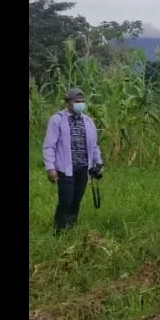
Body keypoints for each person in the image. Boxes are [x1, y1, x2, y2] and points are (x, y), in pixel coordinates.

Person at [43, 88, 104, 233]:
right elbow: (49, 146)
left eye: (82, 102)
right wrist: (50, 167)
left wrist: (99, 163)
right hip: (65, 168)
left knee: (77, 199)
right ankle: (59, 229)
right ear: (68, 103)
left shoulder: (88, 122)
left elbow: (94, 146)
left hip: (83, 167)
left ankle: (71, 227)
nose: (80, 104)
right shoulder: (57, 120)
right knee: (66, 199)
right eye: (77, 102)